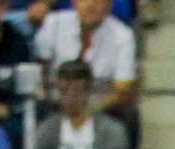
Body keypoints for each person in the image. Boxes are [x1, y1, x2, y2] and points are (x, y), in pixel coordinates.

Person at [31, 0, 135, 135]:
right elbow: (39, 68)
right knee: (33, 110)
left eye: (98, 1)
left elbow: (122, 90)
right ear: (74, 2)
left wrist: (86, 112)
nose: (90, 5)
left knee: (128, 115)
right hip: (54, 102)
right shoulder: (53, 23)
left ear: (109, 5)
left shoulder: (122, 35)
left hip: (98, 107)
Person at [33, 58, 125, 149]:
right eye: (64, 92)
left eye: (76, 91)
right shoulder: (46, 129)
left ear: (89, 90)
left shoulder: (112, 130)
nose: (69, 98)